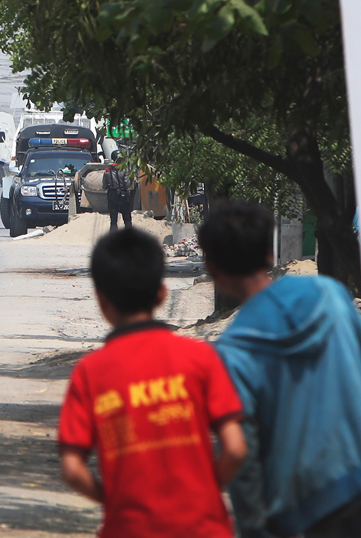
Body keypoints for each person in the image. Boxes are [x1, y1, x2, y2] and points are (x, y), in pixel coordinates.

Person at [198, 200, 361, 538]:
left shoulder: (233, 352)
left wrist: (255, 529)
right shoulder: (330, 296)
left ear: (212, 269)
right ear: (269, 256)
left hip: (310, 509)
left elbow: (245, 451)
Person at [58, 227, 247, 538]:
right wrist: (202, 492)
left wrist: (116, 501)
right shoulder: (199, 359)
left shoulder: (90, 373)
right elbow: (237, 449)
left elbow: (73, 470)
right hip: (204, 526)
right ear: (162, 293)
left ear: (102, 301)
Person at [101, 152, 136, 231]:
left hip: (112, 196)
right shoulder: (124, 169)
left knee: (113, 219)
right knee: (127, 218)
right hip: (123, 195)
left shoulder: (107, 170)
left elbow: (104, 186)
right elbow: (127, 184)